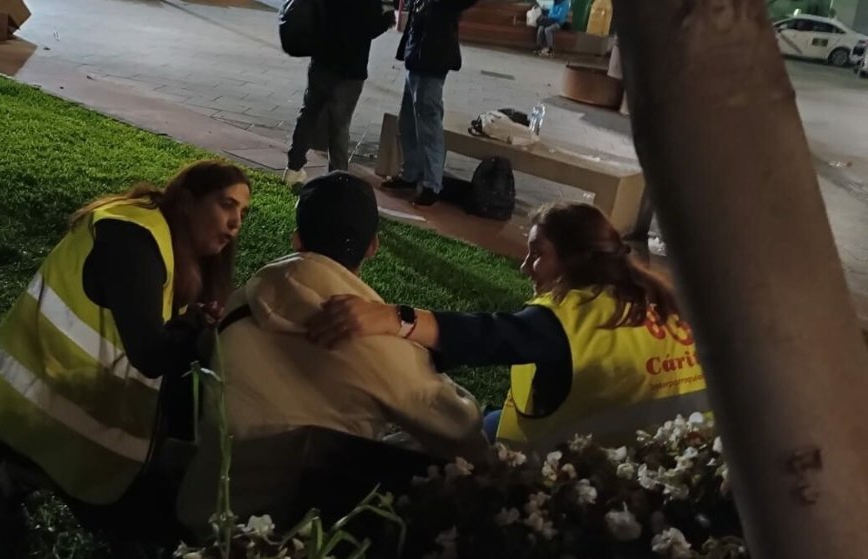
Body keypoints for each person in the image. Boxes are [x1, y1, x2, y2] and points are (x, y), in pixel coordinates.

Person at [0, 160, 251, 542]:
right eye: (226, 205)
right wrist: (195, 327)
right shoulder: (131, 239)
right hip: (40, 398)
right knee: (147, 533)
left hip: (87, 399)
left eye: (242, 212)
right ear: (185, 202)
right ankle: (18, 468)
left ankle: (40, 470)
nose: (236, 224)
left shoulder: (171, 245)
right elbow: (150, 354)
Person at [181, 172, 486, 523]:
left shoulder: (244, 299)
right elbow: (461, 430)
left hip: (204, 512)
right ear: (373, 246)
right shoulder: (379, 345)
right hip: (291, 543)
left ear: (297, 240)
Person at [306, 202, 709, 455]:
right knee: (493, 419)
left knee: (437, 445)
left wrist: (394, 317)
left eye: (538, 255)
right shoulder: (657, 299)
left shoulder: (571, 320)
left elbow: (490, 336)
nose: (525, 267)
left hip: (590, 465)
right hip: (678, 452)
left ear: (576, 258)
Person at [283, 0, 396, 187]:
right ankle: (337, 178)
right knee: (340, 125)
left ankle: (293, 168)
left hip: (323, 60)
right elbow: (370, 26)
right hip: (351, 66)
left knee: (308, 114)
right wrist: (386, 20)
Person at [380, 0, 479, 207]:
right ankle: (411, 174)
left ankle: (432, 185)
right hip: (415, 59)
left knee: (429, 126)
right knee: (407, 123)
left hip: (432, 63)